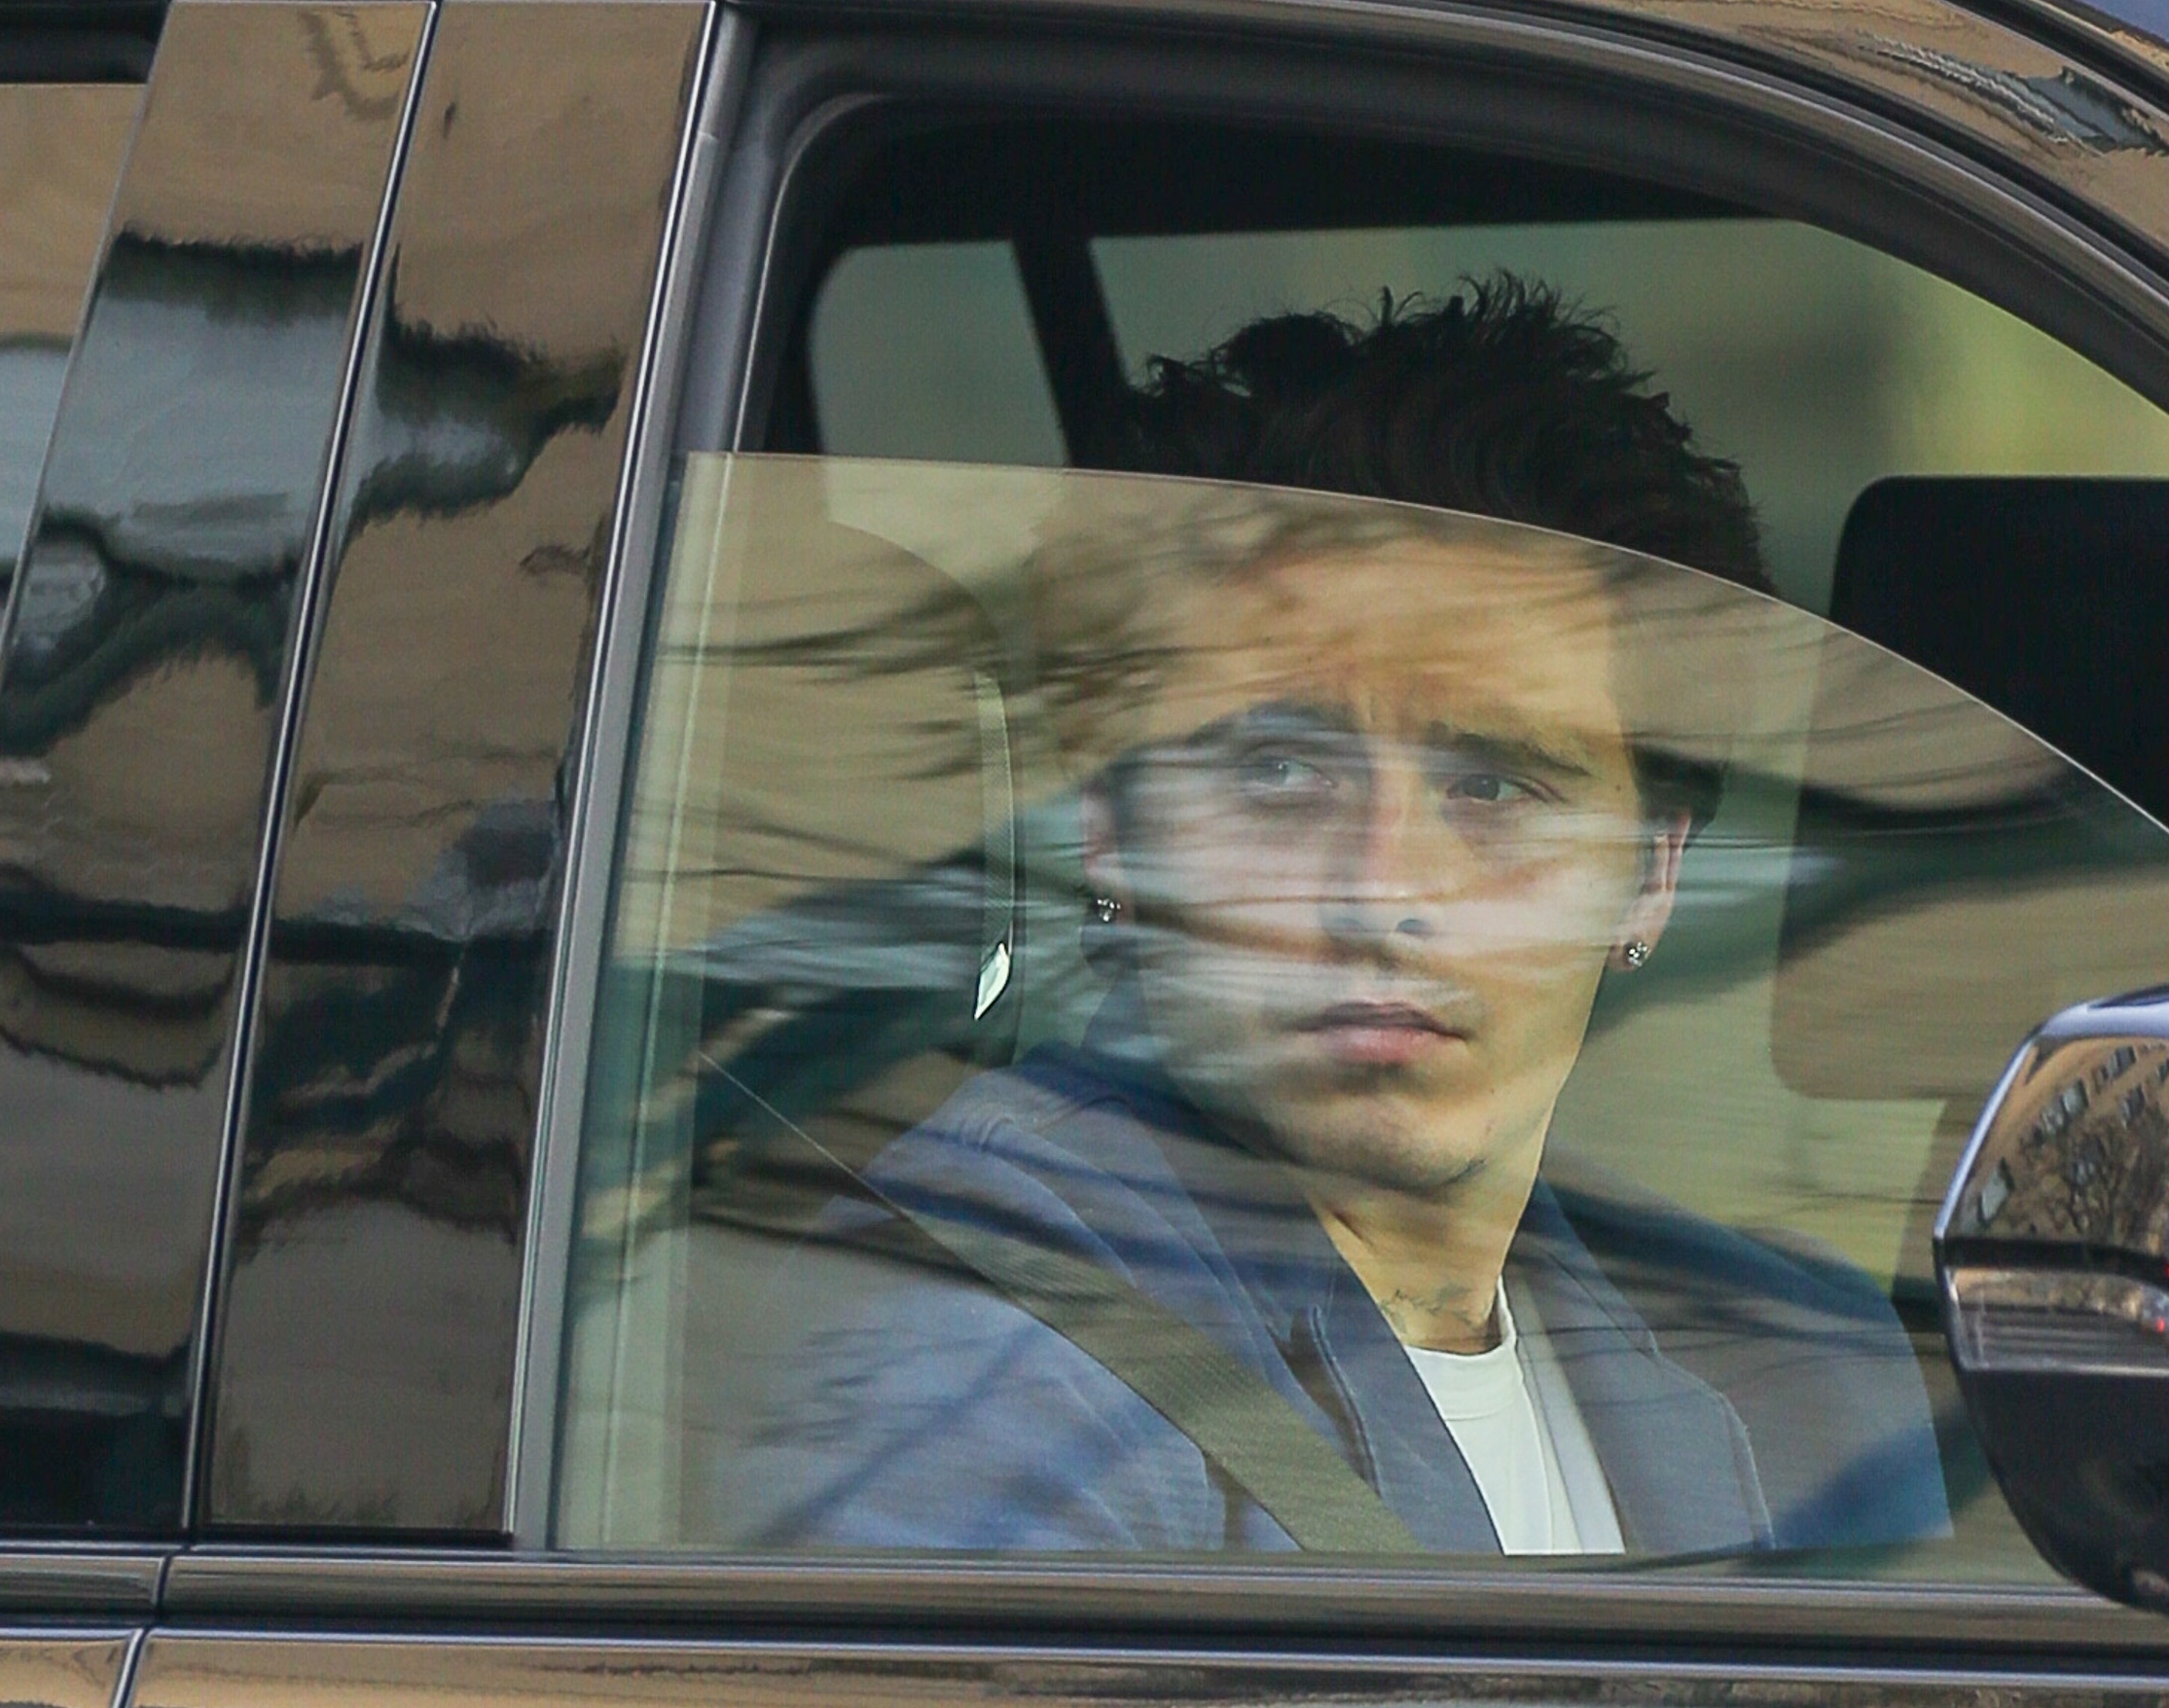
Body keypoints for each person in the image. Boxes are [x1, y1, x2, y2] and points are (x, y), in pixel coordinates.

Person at [726, 278, 1947, 1554]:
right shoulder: (982, 1367)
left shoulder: (1803, 1365)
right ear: (1112, 832)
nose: (1386, 892)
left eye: (1495, 787)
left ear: (1649, 878)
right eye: (1282, 777)